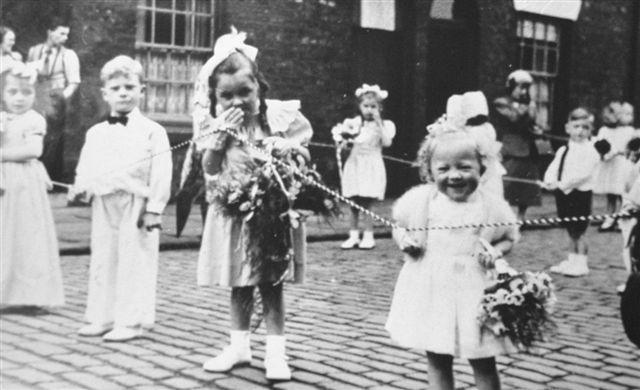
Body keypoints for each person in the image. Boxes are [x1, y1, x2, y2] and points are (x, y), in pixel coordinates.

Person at [196, 29, 312, 381]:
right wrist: (216, 142)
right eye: (226, 95)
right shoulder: (215, 126)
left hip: (270, 213)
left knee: (271, 284)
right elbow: (211, 169)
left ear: (259, 87)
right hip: (234, 213)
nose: (236, 102)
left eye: (245, 92)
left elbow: (305, 155)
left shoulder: (275, 119)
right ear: (215, 96)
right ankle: (239, 346)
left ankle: (276, 353)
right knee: (239, 282)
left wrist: (287, 151)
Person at [386, 125, 519, 390]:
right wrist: (405, 241)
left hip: (475, 291)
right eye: (444, 169)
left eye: (464, 167)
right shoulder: (420, 201)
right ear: (429, 171)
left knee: (482, 357)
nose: (455, 175)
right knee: (437, 356)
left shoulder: (491, 205)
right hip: (432, 290)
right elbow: (398, 224)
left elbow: (509, 237)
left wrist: (495, 251)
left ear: (482, 168)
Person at [69, 55, 172, 342]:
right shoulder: (96, 132)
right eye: (115, 88)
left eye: (129, 86)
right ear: (105, 94)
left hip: (136, 205)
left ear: (142, 89)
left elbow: (162, 173)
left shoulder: (153, 131)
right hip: (105, 203)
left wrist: (155, 209)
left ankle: (131, 321)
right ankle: (101, 317)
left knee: (134, 260)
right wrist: (81, 187)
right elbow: (87, 167)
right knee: (104, 258)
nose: (123, 93)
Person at [0, 62, 65, 308]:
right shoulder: (2, 118)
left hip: (24, 182)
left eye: (26, 93)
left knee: (27, 234)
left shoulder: (33, 120)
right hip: (4, 182)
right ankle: (5, 292)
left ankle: (32, 294)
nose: (19, 98)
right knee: (4, 235)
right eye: (13, 92)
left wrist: (2, 154)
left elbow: (33, 150)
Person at [334, 83, 396, 249]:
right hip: (355, 163)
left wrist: (379, 123)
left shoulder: (384, 125)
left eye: (373, 106)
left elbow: (387, 143)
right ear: (360, 107)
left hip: (371, 164)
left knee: (368, 202)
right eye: (365, 106)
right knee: (353, 202)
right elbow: (346, 145)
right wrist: (344, 141)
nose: (369, 109)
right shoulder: (353, 124)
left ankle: (368, 235)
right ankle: (353, 235)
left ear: (379, 108)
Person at [543, 108, 600, 277]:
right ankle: (572, 259)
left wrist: (562, 184)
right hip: (564, 194)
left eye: (585, 127)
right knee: (570, 229)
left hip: (580, 194)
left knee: (579, 230)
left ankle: (582, 263)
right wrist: (549, 181)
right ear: (568, 128)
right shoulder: (564, 149)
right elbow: (554, 167)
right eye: (576, 126)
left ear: (591, 130)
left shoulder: (590, 150)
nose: (580, 131)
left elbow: (583, 174)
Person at [27, 16, 80, 182]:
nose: (65, 38)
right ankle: (31, 177)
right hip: (35, 98)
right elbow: (28, 73)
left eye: (67, 34)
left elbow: (73, 82)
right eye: (62, 33)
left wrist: (62, 97)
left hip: (56, 99)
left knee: (52, 139)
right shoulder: (34, 51)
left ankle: (49, 179)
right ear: (50, 32)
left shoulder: (68, 55)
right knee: (33, 133)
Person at [491, 69, 542, 221]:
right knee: (506, 184)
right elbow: (514, 118)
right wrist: (529, 111)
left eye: (526, 88)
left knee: (527, 188)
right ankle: (502, 217)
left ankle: (521, 217)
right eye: (520, 87)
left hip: (527, 148)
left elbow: (531, 125)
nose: (523, 91)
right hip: (510, 147)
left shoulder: (527, 105)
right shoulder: (502, 102)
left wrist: (537, 129)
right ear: (511, 86)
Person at [461, 91, 506, 198]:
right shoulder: (488, 127)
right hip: (489, 166)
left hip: (483, 167)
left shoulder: (475, 131)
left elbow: (482, 149)